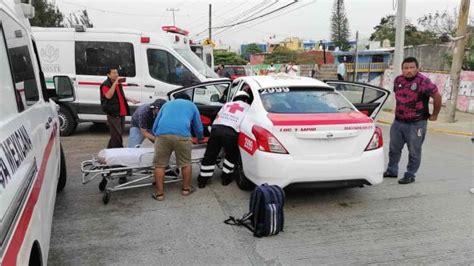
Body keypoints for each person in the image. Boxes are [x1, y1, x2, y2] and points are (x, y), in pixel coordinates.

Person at [384, 57, 442, 184]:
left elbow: (437, 96)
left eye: (412, 68)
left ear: (417, 68)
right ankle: (392, 170)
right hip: (398, 122)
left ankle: (410, 174)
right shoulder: (398, 80)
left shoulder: (424, 82)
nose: (409, 70)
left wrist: (435, 114)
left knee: (414, 151)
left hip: (417, 124)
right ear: (402, 69)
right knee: (394, 149)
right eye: (406, 68)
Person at [151, 93, 204, 201]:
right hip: (182, 135)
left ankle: (159, 194)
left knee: (159, 165)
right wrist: (199, 138)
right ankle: (186, 189)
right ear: (188, 99)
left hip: (162, 134)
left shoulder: (167, 104)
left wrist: (157, 134)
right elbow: (198, 127)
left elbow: (156, 123)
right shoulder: (192, 105)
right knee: (185, 163)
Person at [197, 91, 251, 188]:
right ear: (246, 99)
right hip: (231, 132)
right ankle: (226, 179)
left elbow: (218, 116)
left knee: (210, 154)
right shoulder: (248, 107)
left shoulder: (227, 104)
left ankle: (202, 180)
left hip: (216, 129)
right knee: (231, 156)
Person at [100, 68, 139, 149]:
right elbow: (108, 96)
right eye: (114, 73)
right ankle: (118, 151)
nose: (116, 74)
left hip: (121, 112)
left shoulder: (118, 83)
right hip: (113, 113)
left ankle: (109, 151)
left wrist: (131, 100)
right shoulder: (105, 85)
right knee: (117, 136)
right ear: (108, 75)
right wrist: (115, 83)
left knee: (117, 135)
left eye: (117, 72)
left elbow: (120, 96)